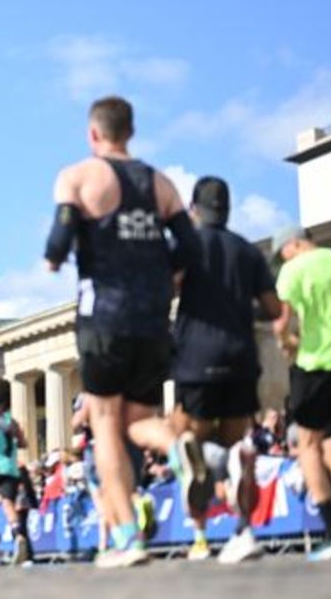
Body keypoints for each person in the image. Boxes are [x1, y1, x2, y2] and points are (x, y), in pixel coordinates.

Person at [45, 96, 206, 568]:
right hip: (155, 315)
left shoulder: (78, 177)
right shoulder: (162, 183)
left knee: (106, 425)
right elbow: (191, 247)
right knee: (138, 422)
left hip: (105, 314)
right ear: (130, 132)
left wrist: (53, 259)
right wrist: (166, 275)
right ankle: (178, 445)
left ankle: (127, 538)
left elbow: (60, 236)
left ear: (94, 134)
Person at [168, 177, 282, 563]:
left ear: (193, 209)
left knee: (188, 443)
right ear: (228, 209)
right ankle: (243, 531)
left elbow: (167, 288)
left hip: (196, 358)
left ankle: (199, 537)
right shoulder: (248, 252)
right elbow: (272, 309)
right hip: (240, 358)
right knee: (236, 444)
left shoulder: (187, 246)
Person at [270, 224, 331, 561]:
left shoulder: (293, 269)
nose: (283, 259)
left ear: (292, 245)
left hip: (317, 364)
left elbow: (281, 322)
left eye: (283, 253)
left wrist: (287, 344)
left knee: (307, 445)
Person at [0, 382, 35, 565]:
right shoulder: (11, 420)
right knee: (8, 504)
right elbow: (23, 443)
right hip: (11, 468)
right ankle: (18, 534)